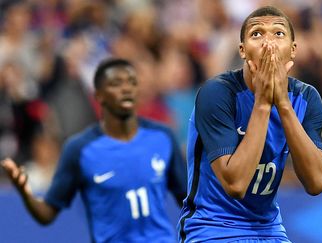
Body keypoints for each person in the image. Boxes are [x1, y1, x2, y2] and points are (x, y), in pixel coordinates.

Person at [178, 6, 322, 243]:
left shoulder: (306, 98)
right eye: (256, 34)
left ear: (293, 50)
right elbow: (236, 184)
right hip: (213, 227)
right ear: (242, 50)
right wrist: (263, 102)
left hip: (269, 229)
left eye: (278, 33)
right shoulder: (217, 93)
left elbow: (317, 182)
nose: (267, 42)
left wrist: (282, 103)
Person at [1, 58, 187, 243]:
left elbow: (188, 200)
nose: (126, 89)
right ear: (99, 95)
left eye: (132, 82)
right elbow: (48, 213)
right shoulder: (80, 149)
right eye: (116, 83)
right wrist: (25, 194)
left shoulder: (162, 137)